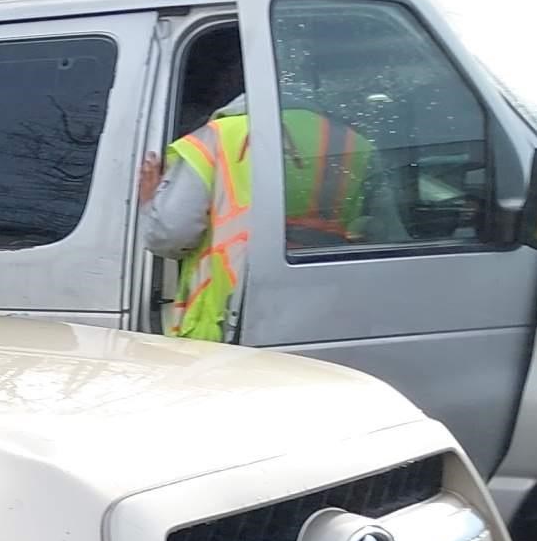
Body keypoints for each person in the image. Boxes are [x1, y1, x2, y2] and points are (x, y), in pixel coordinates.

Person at [136, 58, 375, 341]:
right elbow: (375, 229)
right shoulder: (353, 142)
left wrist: (149, 202)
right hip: (326, 309)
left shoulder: (216, 138)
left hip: (231, 318)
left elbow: (171, 235)